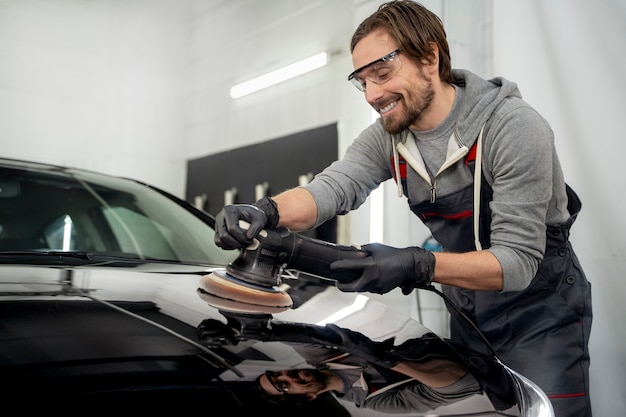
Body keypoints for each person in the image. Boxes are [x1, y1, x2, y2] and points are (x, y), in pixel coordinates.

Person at [213, 1, 593, 416]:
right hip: (467, 306)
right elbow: (332, 188)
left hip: (542, 309)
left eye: (382, 72)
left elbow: (518, 263)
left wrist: (418, 265)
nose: (373, 94)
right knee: (484, 408)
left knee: (546, 409)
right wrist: (265, 211)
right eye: (362, 81)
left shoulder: (513, 128)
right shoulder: (388, 138)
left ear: (430, 57)